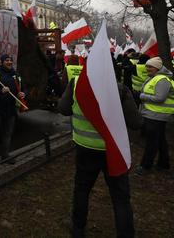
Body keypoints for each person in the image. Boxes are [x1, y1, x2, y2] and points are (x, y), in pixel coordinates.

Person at [58, 76, 140, 238]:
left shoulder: (75, 84)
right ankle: (126, 234)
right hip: (112, 150)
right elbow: (136, 123)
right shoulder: (120, 88)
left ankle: (78, 229)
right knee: (120, 196)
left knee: (82, 189)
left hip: (85, 148)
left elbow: (63, 109)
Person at [135, 57, 174, 175]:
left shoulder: (162, 80)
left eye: (150, 67)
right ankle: (164, 163)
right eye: (147, 66)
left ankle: (145, 166)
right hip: (154, 114)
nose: (148, 69)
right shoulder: (154, 78)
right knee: (160, 139)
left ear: (158, 68)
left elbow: (159, 98)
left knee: (152, 141)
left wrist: (141, 96)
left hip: (157, 115)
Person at [0, 54, 26, 165]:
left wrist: (23, 93)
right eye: (7, 60)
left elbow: (24, 88)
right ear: (2, 62)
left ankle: (5, 155)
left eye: (10, 60)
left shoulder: (16, 75)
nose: (9, 62)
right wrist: (0, 91)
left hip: (11, 109)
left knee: (7, 134)